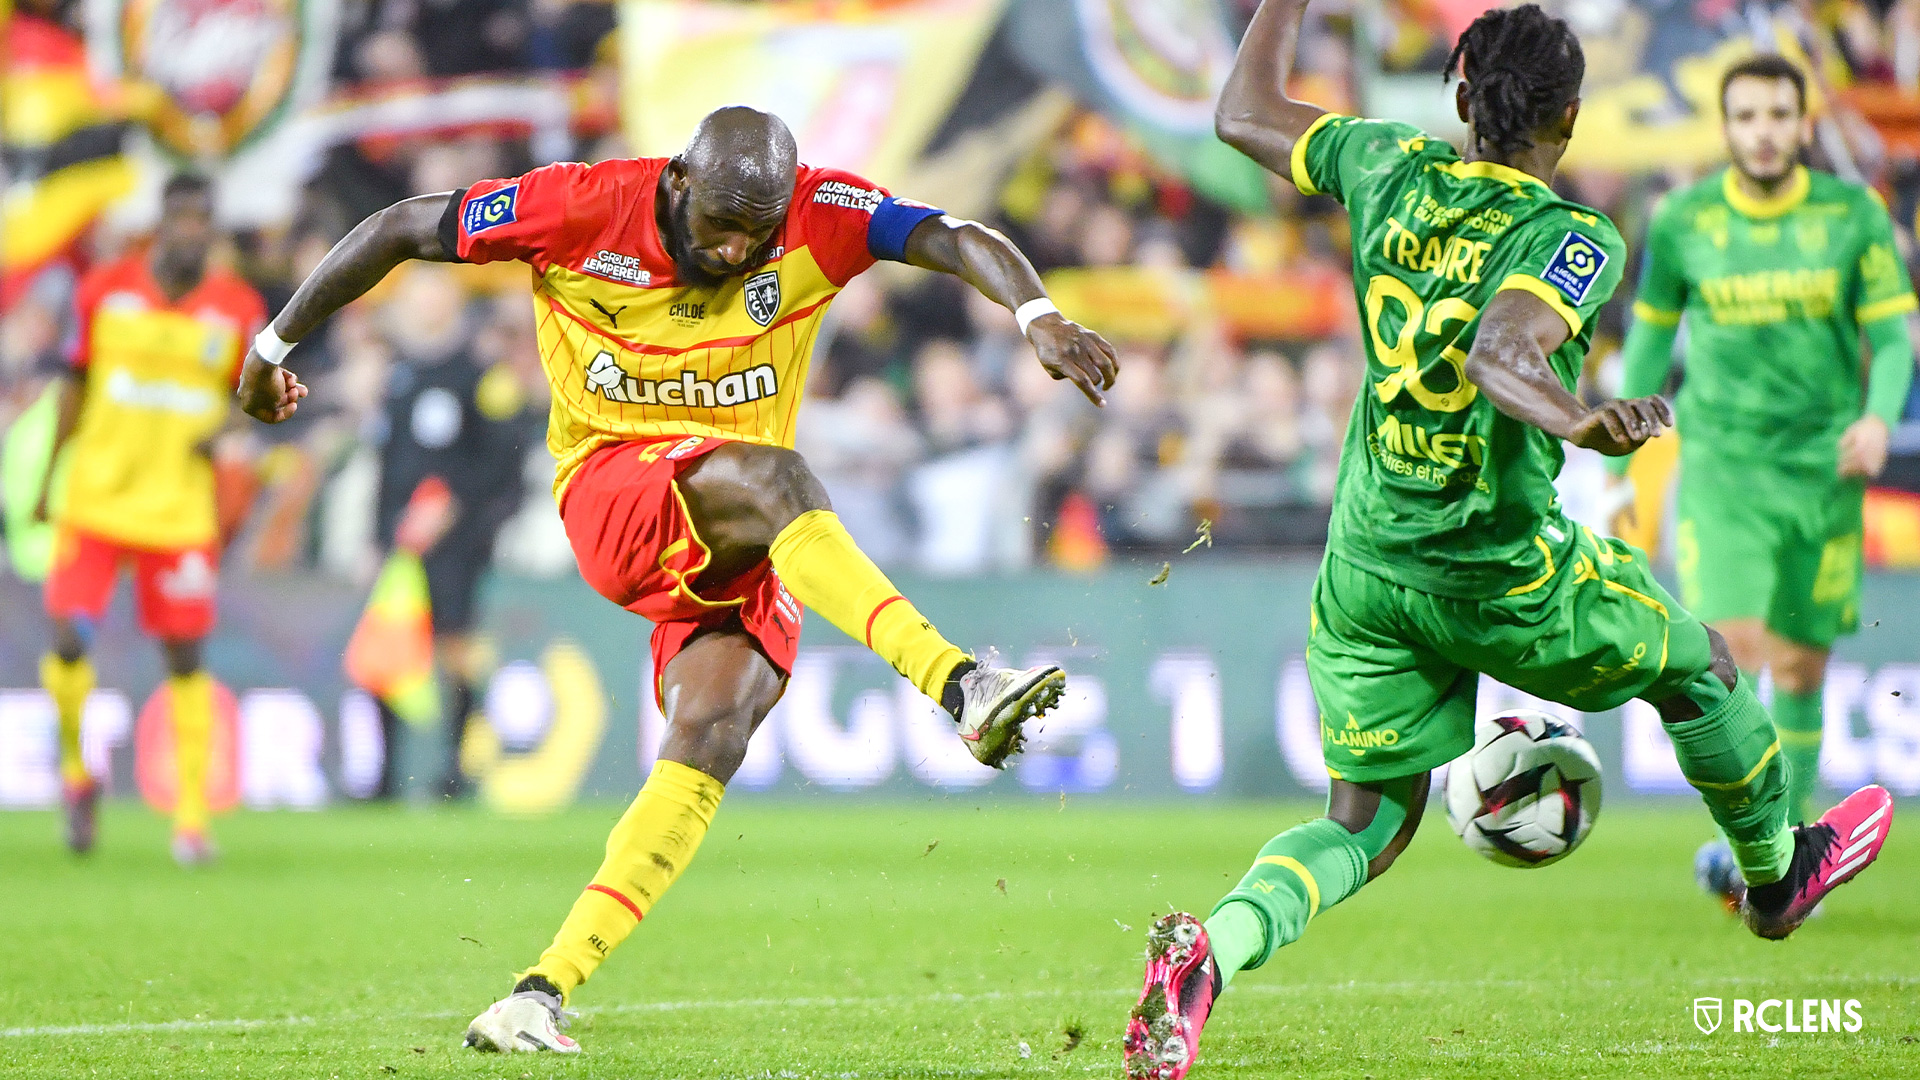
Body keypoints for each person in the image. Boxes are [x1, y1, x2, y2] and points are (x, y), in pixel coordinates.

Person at [235, 106, 1118, 1053]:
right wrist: (270, 349)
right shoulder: (581, 205)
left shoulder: (820, 212)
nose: (736, 251)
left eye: (756, 234)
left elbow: (951, 233)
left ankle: (539, 991)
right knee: (779, 477)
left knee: (711, 733)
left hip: (740, 533)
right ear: (680, 182)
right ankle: (961, 683)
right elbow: (401, 226)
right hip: (616, 495)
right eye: (719, 226)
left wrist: (1037, 314)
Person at [1120, 7, 1895, 1078]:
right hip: (1500, 575)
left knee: (1364, 825)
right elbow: (1500, 352)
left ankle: (1213, 952)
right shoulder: (1572, 238)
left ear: (1459, 96)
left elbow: (1241, 112)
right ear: (1570, 117)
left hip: (1366, 566)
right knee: (1704, 668)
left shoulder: (1385, 164)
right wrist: (1581, 419)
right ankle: (1776, 877)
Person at [1615, 56, 1916, 904]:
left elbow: (1894, 339)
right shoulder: (1684, 220)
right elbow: (1650, 335)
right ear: (1726, 128)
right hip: (1723, 468)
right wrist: (1622, 437)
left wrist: (1877, 417)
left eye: (1779, 115)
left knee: (1803, 667)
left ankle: (1787, 845)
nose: (1763, 132)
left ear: (1803, 123)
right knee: (1734, 653)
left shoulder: (1852, 215)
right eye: (1746, 117)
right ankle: (1760, 850)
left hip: (1824, 471)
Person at [34, 172, 267, 866]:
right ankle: (76, 774)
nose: (191, 230)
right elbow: (73, 386)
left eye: (202, 219)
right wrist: (48, 477)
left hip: (178, 511)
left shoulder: (237, 307)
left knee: (185, 655)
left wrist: (224, 428)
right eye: (181, 217)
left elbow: (253, 396)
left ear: (213, 229)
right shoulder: (104, 290)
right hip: (97, 499)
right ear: (161, 224)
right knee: (68, 639)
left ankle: (191, 818)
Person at [370, 267, 540, 799]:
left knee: (455, 647)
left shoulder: (482, 376)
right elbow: (388, 462)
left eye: (433, 296)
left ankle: (456, 768)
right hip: (402, 540)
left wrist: (457, 508)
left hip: (458, 541)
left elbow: (505, 459)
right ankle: (385, 776)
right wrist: (378, 534)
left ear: (453, 303)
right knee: (390, 649)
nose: (423, 307)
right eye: (415, 298)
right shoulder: (399, 375)